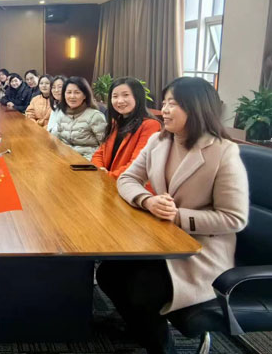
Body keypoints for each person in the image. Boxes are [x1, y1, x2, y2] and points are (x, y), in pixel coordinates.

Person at [97, 77, 249, 353]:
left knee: (141, 289)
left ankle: (163, 348)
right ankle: (141, 330)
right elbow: (128, 179)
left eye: (173, 104)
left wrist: (177, 216)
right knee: (108, 273)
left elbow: (233, 218)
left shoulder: (223, 152)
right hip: (160, 239)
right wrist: (147, 200)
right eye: (164, 102)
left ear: (196, 107)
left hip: (199, 252)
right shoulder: (159, 141)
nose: (164, 110)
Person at [91, 77, 161, 179]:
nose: (119, 101)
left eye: (126, 95)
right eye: (115, 96)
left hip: (128, 183)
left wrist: (107, 176)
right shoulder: (115, 122)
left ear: (138, 97)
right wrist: (99, 170)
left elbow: (137, 165)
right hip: (106, 180)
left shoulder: (150, 125)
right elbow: (100, 153)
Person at [49, 76, 106, 160]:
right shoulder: (62, 113)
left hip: (86, 159)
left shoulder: (95, 116)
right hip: (64, 157)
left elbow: (105, 146)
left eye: (77, 92)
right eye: (69, 92)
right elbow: (57, 139)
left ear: (85, 95)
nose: (72, 96)